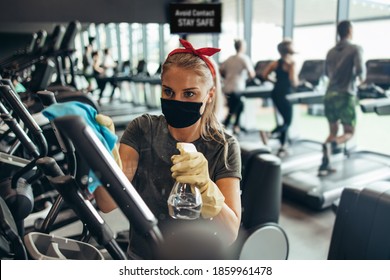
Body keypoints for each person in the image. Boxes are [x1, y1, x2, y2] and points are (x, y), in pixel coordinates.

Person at [93, 38, 242, 259]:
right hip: (142, 256)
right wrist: (105, 157)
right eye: (168, 92)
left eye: (189, 94)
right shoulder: (143, 129)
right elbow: (106, 204)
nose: (177, 101)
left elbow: (230, 233)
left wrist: (206, 187)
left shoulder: (224, 146)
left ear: (209, 95)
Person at [318, 20, 365, 176]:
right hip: (345, 95)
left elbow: (326, 74)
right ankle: (333, 144)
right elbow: (360, 72)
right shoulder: (355, 49)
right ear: (350, 31)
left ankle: (325, 164)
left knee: (333, 130)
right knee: (349, 132)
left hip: (329, 95)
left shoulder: (330, 52)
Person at [261, 39, 298, 157]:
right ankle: (269, 134)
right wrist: (300, 84)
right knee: (288, 121)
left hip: (276, 92)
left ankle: (283, 146)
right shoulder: (291, 63)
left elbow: (264, 75)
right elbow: (293, 81)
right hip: (286, 93)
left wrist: (275, 81)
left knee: (283, 120)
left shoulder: (276, 63)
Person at [220, 39, 255, 135]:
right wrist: (247, 79)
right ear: (242, 47)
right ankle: (225, 126)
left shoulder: (229, 59)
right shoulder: (244, 58)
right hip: (238, 87)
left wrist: (227, 76)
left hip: (227, 87)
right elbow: (251, 74)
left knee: (238, 106)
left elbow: (220, 70)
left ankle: (235, 126)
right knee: (234, 108)